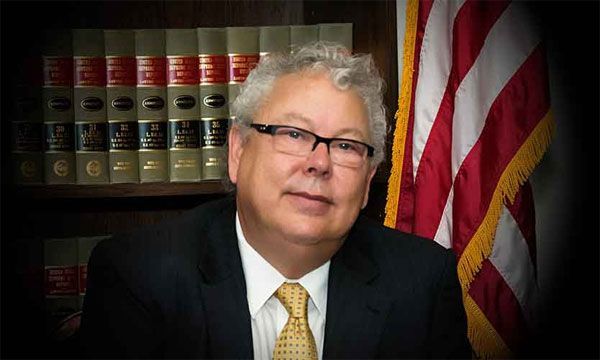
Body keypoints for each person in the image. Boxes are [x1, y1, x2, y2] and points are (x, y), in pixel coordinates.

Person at [80, 42, 471, 359]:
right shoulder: (140, 276)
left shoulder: (423, 286)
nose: (319, 162)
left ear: (369, 182)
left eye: (347, 145)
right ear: (237, 152)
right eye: (293, 134)